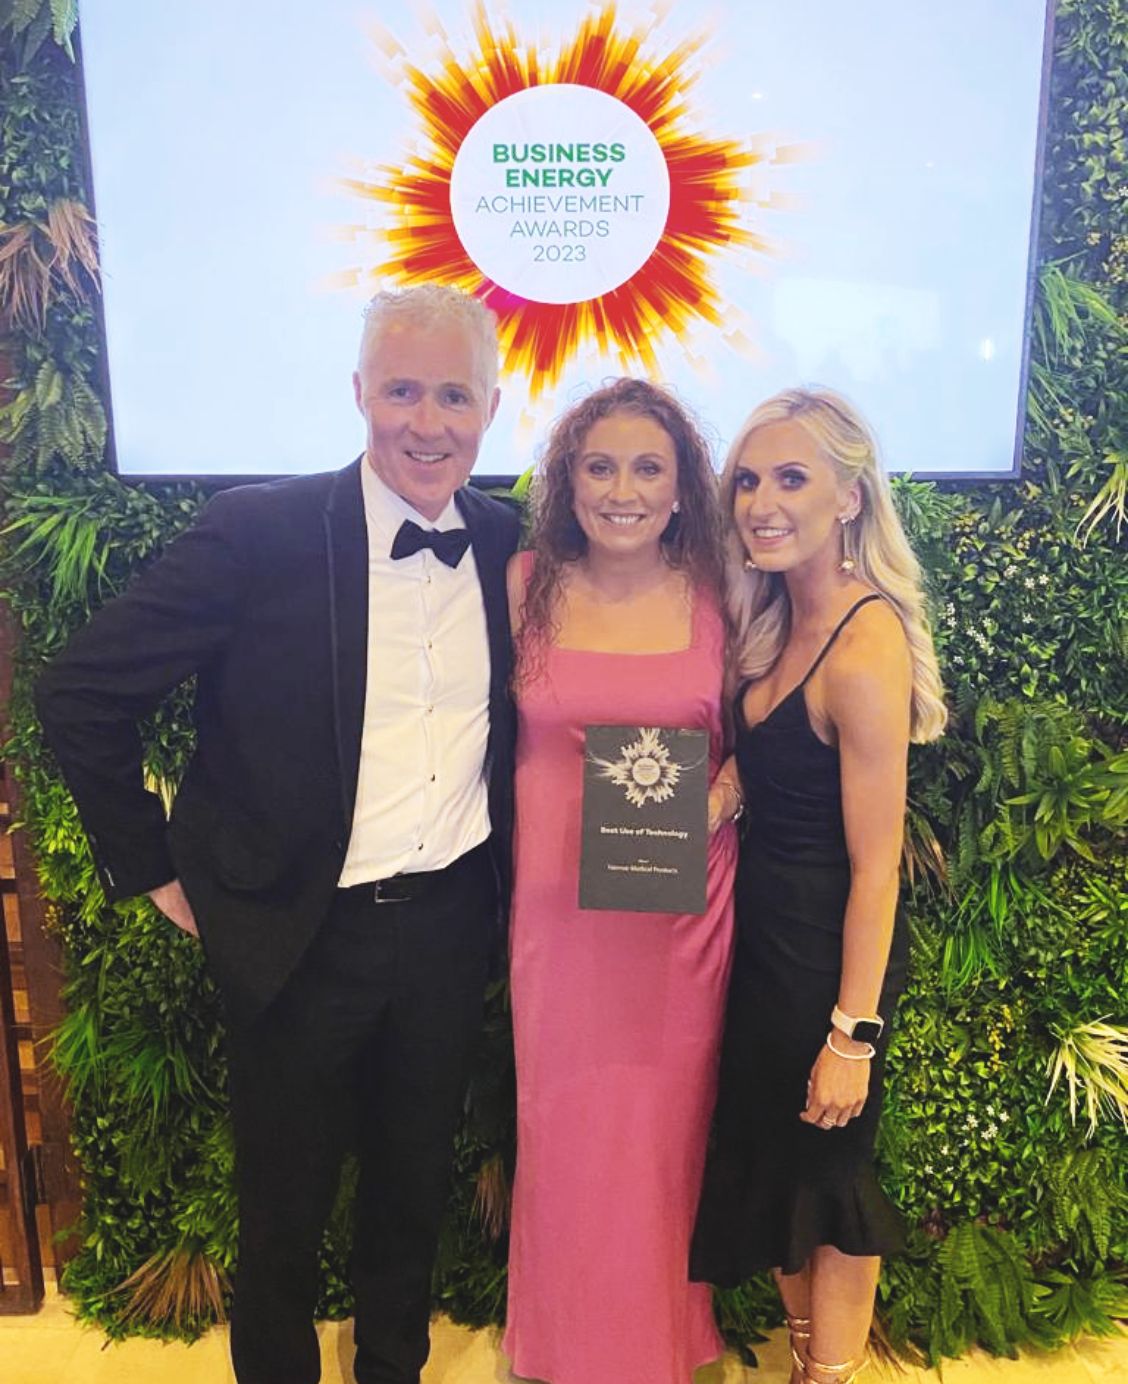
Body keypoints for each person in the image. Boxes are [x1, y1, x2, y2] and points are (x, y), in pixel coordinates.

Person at [34, 284, 520, 1384]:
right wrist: (151, 865)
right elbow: (82, 691)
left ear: (492, 406)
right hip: (299, 934)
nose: (428, 423)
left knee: (413, 1190)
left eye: (455, 396)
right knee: (284, 1207)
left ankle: (391, 1367)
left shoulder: (509, 544)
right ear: (359, 393)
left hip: (448, 928)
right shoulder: (259, 532)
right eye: (402, 391)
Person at [689, 388, 947, 1384]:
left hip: (827, 963)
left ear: (849, 496)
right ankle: (807, 1360)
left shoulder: (864, 638)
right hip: (764, 950)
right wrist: (720, 788)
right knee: (778, 1169)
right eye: (749, 480)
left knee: (827, 1182)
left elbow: (878, 863)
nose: (761, 502)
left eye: (791, 479)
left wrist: (852, 1034)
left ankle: (828, 1373)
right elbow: (783, 760)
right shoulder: (777, 614)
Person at [502, 378, 741, 1384]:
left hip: (678, 921)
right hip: (555, 921)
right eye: (599, 467)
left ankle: (664, 1345)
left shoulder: (724, 591)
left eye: (648, 468)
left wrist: (719, 799)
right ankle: (559, 1345)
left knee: (663, 1133)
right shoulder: (523, 583)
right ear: (569, 481)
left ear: (683, 487)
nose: (623, 490)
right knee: (561, 1127)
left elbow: (769, 735)